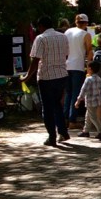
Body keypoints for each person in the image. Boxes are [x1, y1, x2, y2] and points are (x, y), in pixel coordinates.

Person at [22, 15, 70, 146]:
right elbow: (66, 55)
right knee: (57, 105)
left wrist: (27, 76)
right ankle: (63, 132)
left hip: (46, 77)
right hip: (61, 75)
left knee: (47, 108)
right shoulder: (63, 36)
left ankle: (52, 137)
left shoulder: (41, 38)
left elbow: (35, 60)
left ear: (41, 26)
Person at [64, 13, 94, 129]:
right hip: (78, 66)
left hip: (67, 65)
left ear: (76, 22)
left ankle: (65, 118)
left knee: (68, 93)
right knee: (76, 95)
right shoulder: (86, 35)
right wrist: (89, 67)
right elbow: (89, 51)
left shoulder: (67, 32)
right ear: (86, 23)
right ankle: (72, 120)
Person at [75, 60, 101, 140]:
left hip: (90, 101)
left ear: (90, 69)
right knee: (88, 116)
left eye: (88, 67)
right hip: (97, 100)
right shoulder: (99, 78)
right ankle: (86, 131)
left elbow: (83, 91)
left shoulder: (88, 79)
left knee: (93, 117)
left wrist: (78, 100)